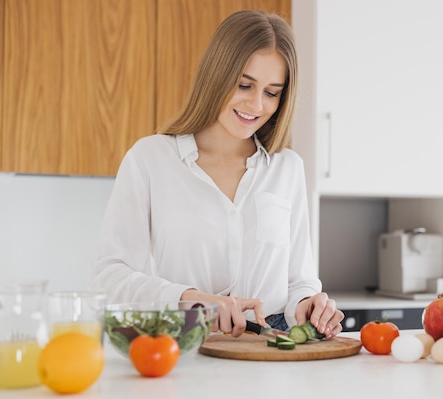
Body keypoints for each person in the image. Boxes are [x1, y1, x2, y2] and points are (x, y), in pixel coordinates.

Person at [89, 10, 344, 339]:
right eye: (244, 85)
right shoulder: (150, 159)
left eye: (271, 92)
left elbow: (299, 280)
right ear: (216, 75)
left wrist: (308, 303)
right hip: (185, 344)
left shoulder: (287, 168)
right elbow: (108, 276)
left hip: (270, 351)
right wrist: (189, 300)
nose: (255, 104)